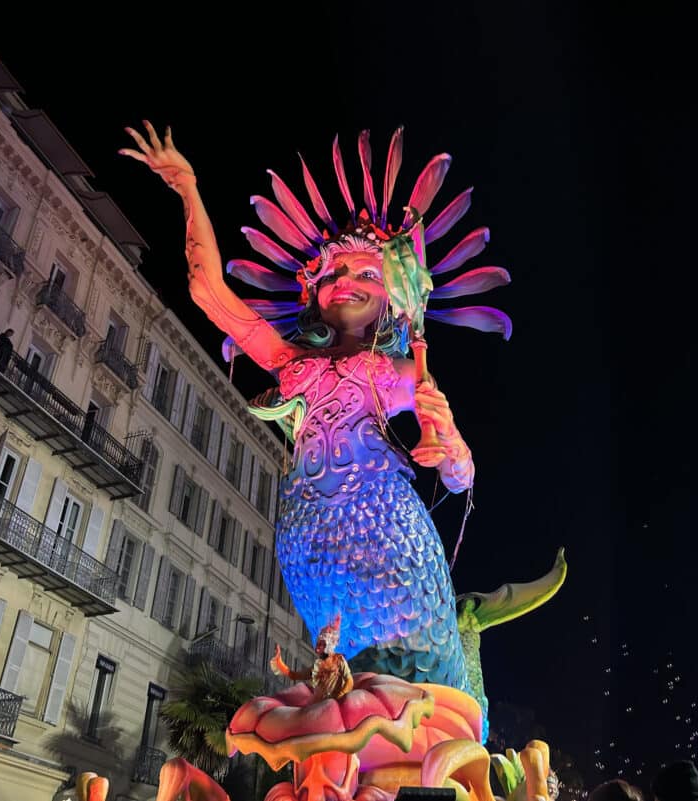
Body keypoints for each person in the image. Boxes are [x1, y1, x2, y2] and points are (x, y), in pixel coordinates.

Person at [122, 122, 490, 696]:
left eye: (366, 272)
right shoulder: (290, 362)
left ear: (393, 295)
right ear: (313, 291)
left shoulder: (396, 371)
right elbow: (206, 291)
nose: (346, 281)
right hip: (306, 541)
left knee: (403, 688)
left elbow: (459, 474)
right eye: (333, 272)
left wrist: (449, 442)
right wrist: (189, 190)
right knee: (342, 688)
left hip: (385, 537)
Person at [270, 614, 353, 701]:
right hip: (320, 704)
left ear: (329, 644)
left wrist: (339, 697)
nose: (318, 648)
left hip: (333, 704)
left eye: (322, 644)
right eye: (318, 644)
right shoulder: (317, 666)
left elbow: (349, 681)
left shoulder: (339, 660)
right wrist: (279, 662)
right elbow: (294, 675)